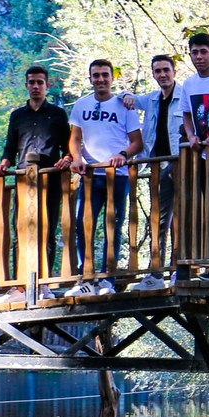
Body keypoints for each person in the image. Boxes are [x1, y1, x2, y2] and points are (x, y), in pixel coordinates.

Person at [67, 58, 145, 292]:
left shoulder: (124, 105)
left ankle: (108, 279)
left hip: (117, 175)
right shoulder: (81, 105)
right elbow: (75, 138)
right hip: (91, 175)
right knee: (83, 224)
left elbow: (137, 142)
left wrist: (122, 154)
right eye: (96, 75)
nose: (100, 79)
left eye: (104, 75)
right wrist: (77, 158)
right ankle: (86, 277)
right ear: (90, 78)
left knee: (113, 225)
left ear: (112, 78)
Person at [0, 66, 72, 283]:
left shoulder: (57, 114)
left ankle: (44, 281)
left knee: (48, 229)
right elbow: (10, 148)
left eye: (40, 82)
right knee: (21, 229)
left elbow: (68, 146)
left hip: (50, 178)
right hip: (24, 179)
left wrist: (67, 159)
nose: (35, 86)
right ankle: (20, 283)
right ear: (26, 85)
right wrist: (3, 164)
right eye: (31, 82)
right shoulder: (17, 116)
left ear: (47, 85)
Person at [130, 52, 185, 287]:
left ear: (174, 72)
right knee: (159, 218)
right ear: (153, 74)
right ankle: (156, 271)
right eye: (158, 71)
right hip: (158, 166)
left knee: (182, 218)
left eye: (166, 70)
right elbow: (130, 98)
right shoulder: (152, 99)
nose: (163, 75)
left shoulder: (184, 96)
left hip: (180, 163)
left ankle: (180, 269)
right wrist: (125, 96)